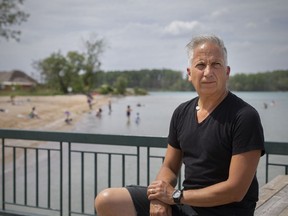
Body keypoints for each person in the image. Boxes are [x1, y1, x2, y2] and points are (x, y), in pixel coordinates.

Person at [95, 34, 265, 216]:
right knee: (107, 200)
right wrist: (158, 199)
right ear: (190, 74)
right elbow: (169, 166)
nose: (208, 72)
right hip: (187, 205)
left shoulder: (245, 116)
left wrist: (175, 196)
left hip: (226, 211)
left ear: (227, 72)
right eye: (201, 65)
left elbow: (236, 190)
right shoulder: (182, 113)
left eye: (216, 64)